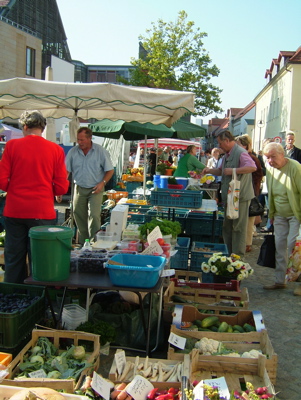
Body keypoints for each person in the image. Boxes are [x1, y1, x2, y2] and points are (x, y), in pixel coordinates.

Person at [0, 110, 69, 283]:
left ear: (25, 127)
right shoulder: (55, 149)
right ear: (42, 128)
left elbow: (1, 180)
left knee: (14, 258)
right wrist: (47, 190)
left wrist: (14, 188)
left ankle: (13, 298)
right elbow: (61, 186)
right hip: (42, 211)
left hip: (15, 209)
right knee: (40, 260)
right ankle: (38, 299)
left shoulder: (12, 146)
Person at [203, 131, 256, 257]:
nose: (219, 146)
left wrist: (233, 170)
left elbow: (252, 167)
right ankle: (229, 255)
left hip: (240, 197)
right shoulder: (226, 155)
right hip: (230, 197)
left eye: (220, 143)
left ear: (227, 141)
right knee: (227, 227)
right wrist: (209, 170)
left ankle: (237, 258)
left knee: (238, 228)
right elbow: (221, 171)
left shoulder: (241, 152)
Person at [262, 142, 301, 292]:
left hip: (295, 214)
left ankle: (298, 282)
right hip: (278, 214)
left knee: (294, 249)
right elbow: (271, 193)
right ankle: (279, 281)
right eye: (267, 157)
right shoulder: (270, 168)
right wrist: (271, 214)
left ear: (282, 154)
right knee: (279, 247)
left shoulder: (295, 167)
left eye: (273, 156)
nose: (270, 160)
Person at [66, 127, 114, 244]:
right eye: (78, 140)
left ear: (89, 138)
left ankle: (93, 243)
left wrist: (102, 183)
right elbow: (66, 171)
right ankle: (84, 243)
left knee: (94, 215)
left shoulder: (100, 151)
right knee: (78, 214)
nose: (80, 142)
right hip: (79, 188)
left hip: (96, 188)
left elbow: (110, 170)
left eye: (82, 140)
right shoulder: (73, 152)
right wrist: (60, 188)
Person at [235, 134, 263, 253]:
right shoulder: (243, 155)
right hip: (245, 190)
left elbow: (258, 176)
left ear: (245, 145)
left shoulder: (251, 158)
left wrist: (252, 189)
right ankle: (245, 243)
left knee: (249, 218)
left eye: (238, 144)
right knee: (246, 218)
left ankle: (247, 244)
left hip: (249, 190)